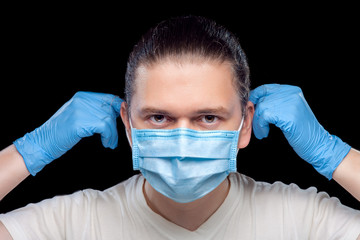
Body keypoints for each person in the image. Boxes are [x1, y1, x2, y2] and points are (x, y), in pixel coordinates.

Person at [0, 15, 359, 239]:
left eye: (208, 118)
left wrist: (332, 153)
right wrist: (31, 149)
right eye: (159, 117)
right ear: (127, 125)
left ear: (245, 124)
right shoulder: (72, 223)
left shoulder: (304, 219)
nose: (183, 141)